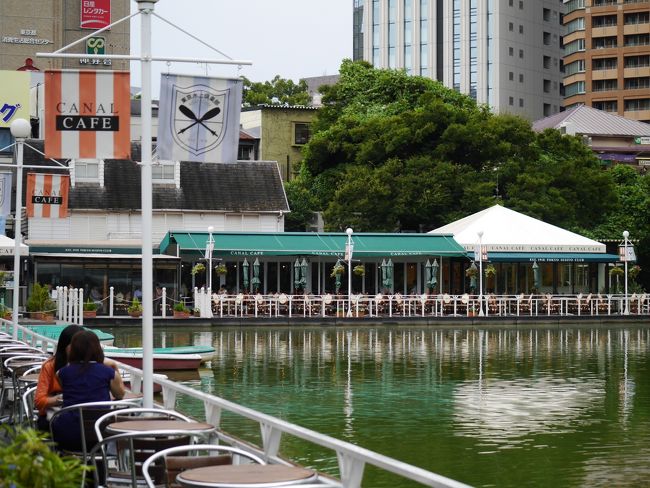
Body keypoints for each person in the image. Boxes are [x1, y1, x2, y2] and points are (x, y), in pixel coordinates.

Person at [51, 330, 125, 451]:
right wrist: (114, 366)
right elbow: (120, 394)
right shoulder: (108, 373)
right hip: (98, 432)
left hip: (67, 430)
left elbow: (68, 389)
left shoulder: (62, 373)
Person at [34, 324, 84, 431]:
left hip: (81, 417)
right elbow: (39, 401)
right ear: (65, 346)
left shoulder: (89, 366)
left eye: (82, 345)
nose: (79, 349)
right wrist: (60, 398)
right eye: (75, 345)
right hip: (53, 416)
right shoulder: (50, 366)